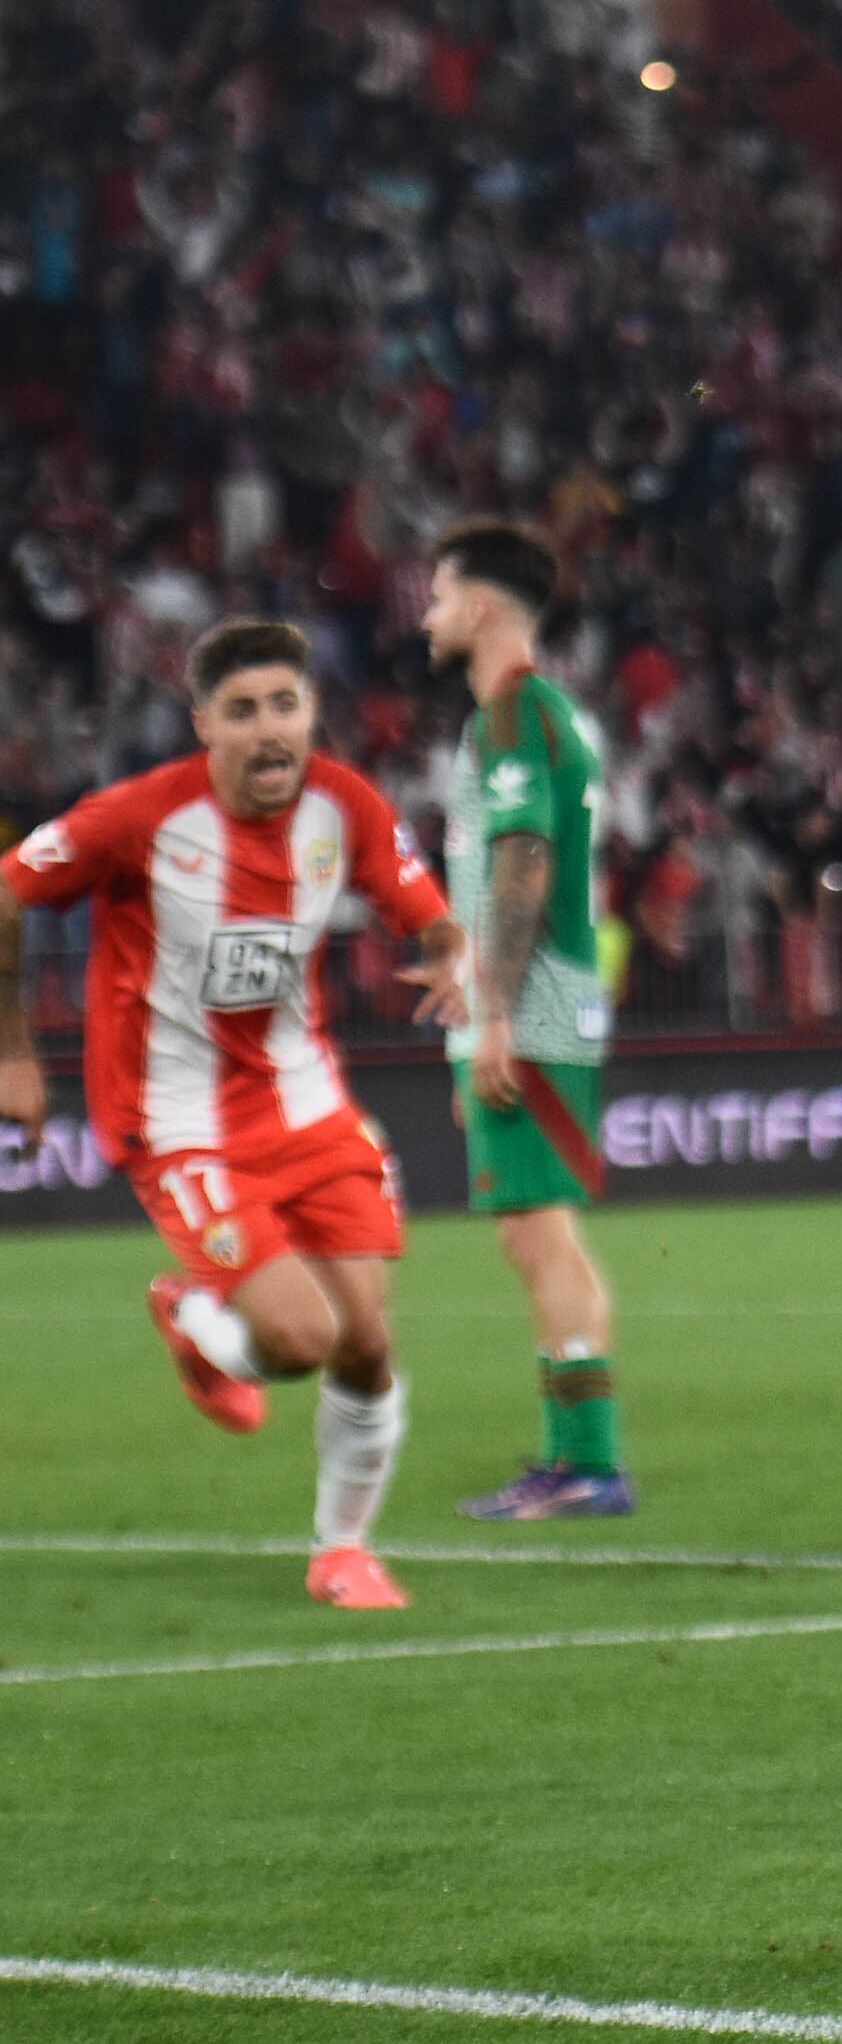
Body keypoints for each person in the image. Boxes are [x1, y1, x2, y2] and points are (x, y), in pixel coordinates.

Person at [0, 621, 466, 1608]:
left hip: (307, 1104)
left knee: (367, 1341)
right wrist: (11, 1049)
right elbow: (6, 892)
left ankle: (343, 1550)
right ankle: (193, 1312)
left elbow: (426, 908)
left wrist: (453, 955)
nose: (269, 730)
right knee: (299, 1339)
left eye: (285, 705)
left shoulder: (347, 805)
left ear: (313, 713)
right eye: (244, 709)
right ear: (202, 721)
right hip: (180, 1123)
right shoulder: (137, 817)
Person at [424, 524, 635, 1521]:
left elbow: (525, 862)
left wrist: (496, 1011)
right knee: (541, 1236)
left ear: (479, 606)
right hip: (544, 1001)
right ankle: (576, 1455)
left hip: (536, 1005)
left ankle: (585, 1463)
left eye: (437, 594)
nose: (427, 613)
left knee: (538, 1237)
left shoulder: (514, 713)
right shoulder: (546, 715)